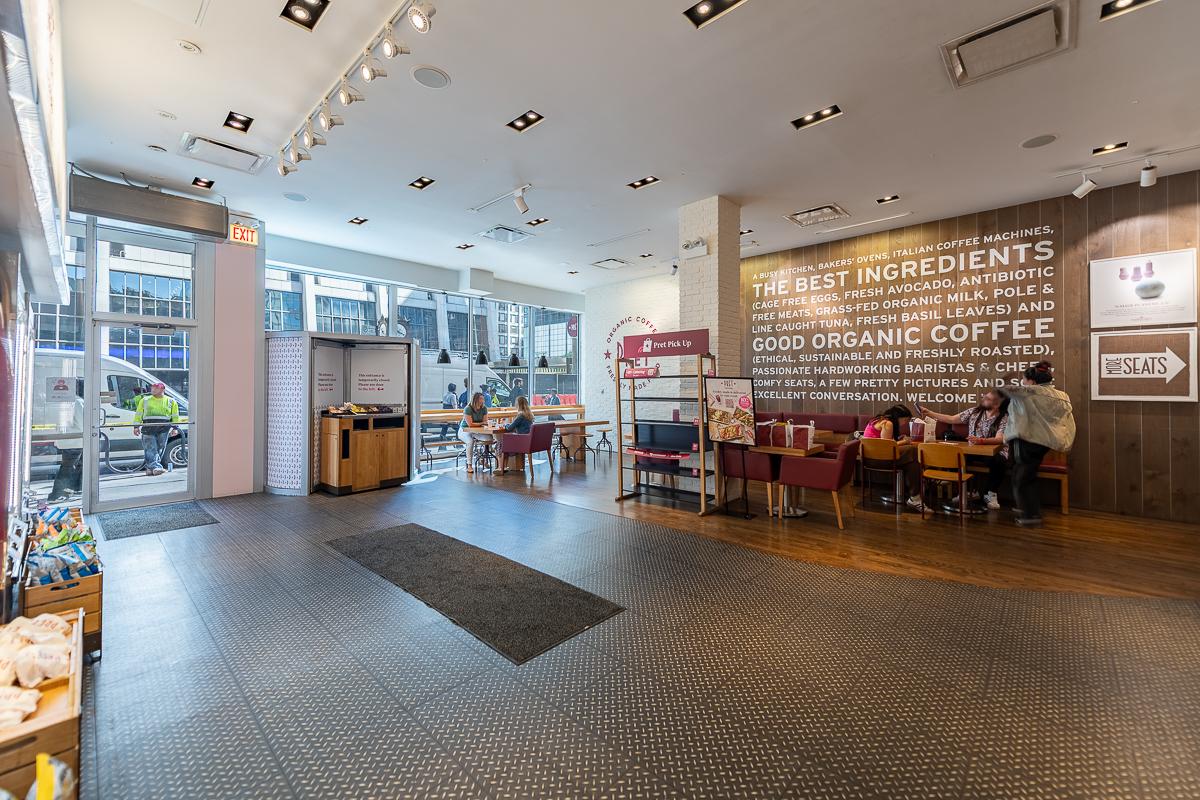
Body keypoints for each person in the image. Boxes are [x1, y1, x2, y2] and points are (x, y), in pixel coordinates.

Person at [997, 361, 1076, 527]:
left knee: (1022, 477)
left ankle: (1030, 515)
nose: (1022, 382)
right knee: (1027, 474)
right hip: (1045, 442)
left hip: (1026, 439)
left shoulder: (1027, 392)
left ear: (1032, 381)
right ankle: (1026, 508)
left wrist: (1004, 378)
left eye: (1024, 379)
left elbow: (1003, 389)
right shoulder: (1061, 396)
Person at [915, 389, 1010, 510]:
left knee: (998, 461)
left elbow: (999, 439)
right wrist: (929, 413)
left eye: (987, 399)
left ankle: (990, 493)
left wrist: (981, 440)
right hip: (972, 450)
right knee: (956, 457)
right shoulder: (974, 411)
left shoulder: (1004, 417)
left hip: (994, 452)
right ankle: (968, 491)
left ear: (996, 404)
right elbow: (951, 419)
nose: (983, 399)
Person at [861, 404, 923, 511]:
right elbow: (886, 447)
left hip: (871, 458)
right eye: (905, 420)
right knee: (913, 451)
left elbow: (885, 442)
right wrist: (905, 441)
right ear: (898, 417)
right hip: (877, 459)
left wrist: (899, 439)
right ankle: (916, 495)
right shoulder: (888, 423)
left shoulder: (878, 420)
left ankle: (915, 496)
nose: (905, 423)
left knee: (912, 462)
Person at [133, 382, 181, 476]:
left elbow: (175, 416)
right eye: (152, 388)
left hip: (164, 428)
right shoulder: (145, 400)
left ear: (162, 390)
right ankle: (156, 467)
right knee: (150, 448)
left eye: (156, 388)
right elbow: (138, 414)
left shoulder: (171, 401)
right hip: (148, 427)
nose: (153, 390)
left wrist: (175, 428)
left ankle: (150, 468)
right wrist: (136, 426)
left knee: (160, 448)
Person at [495, 395, 535, 473]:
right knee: (504, 441)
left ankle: (501, 467)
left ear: (518, 405)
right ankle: (504, 466)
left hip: (521, 442)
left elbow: (509, 428)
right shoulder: (529, 415)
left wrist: (505, 425)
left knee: (500, 443)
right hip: (528, 441)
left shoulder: (520, 416)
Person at [459, 391, 489, 474]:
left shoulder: (484, 408)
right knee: (470, 441)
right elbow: (470, 424)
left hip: (477, 430)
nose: (483, 400)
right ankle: (469, 465)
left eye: (483, 399)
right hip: (464, 430)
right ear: (476, 400)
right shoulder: (468, 409)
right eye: (481, 399)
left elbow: (485, 422)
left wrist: (481, 424)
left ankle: (482, 458)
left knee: (489, 438)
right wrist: (481, 423)